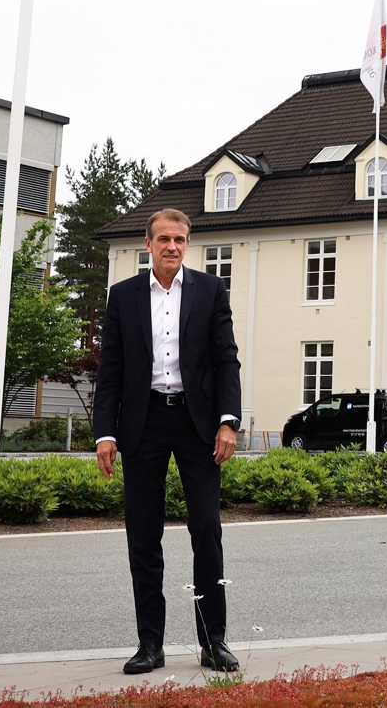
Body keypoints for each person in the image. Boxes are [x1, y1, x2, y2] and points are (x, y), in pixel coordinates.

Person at [95, 208, 242, 675]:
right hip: (143, 424)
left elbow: (226, 360)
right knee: (143, 536)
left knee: (207, 533)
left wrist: (228, 422)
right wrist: (106, 432)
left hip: (199, 427)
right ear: (148, 244)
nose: (172, 247)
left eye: (179, 239)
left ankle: (213, 641)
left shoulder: (210, 290)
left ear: (187, 244)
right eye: (163, 239)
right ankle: (150, 646)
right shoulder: (124, 296)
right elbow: (111, 369)